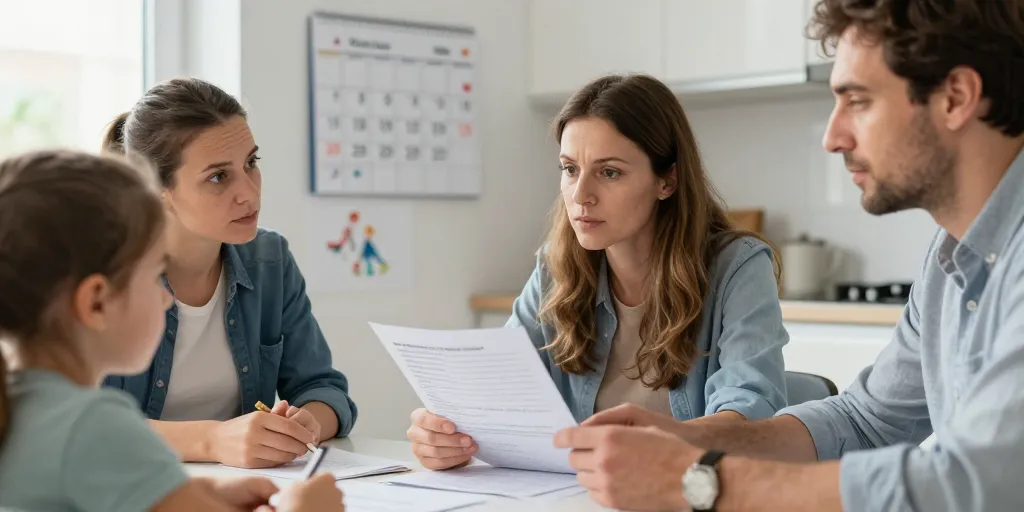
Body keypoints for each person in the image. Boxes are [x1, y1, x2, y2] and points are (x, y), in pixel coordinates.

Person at [552, 0, 1024, 510]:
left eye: (858, 101)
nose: (831, 136)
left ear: (954, 97)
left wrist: (698, 482)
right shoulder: (948, 258)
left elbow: (977, 483)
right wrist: (682, 440)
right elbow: (866, 420)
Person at [408, 74, 790, 470]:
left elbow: (751, 415)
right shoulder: (555, 268)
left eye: (609, 173)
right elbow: (499, 390)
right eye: (570, 169)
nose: (580, 195)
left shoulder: (738, 268)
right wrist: (446, 434)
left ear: (668, 180)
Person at [0, 150, 343, 511]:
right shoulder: (96, 426)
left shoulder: (21, 410)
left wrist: (197, 493)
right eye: (152, 276)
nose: (166, 299)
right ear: (97, 302)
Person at [101, 77, 357, 469]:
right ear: (156, 189)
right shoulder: (99, 274)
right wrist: (211, 441)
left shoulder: (270, 260)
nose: (250, 193)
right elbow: (69, 424)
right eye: (218, 177)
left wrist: (305, 424)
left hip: (237, 491)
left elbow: (323, 388)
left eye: (251, 163)